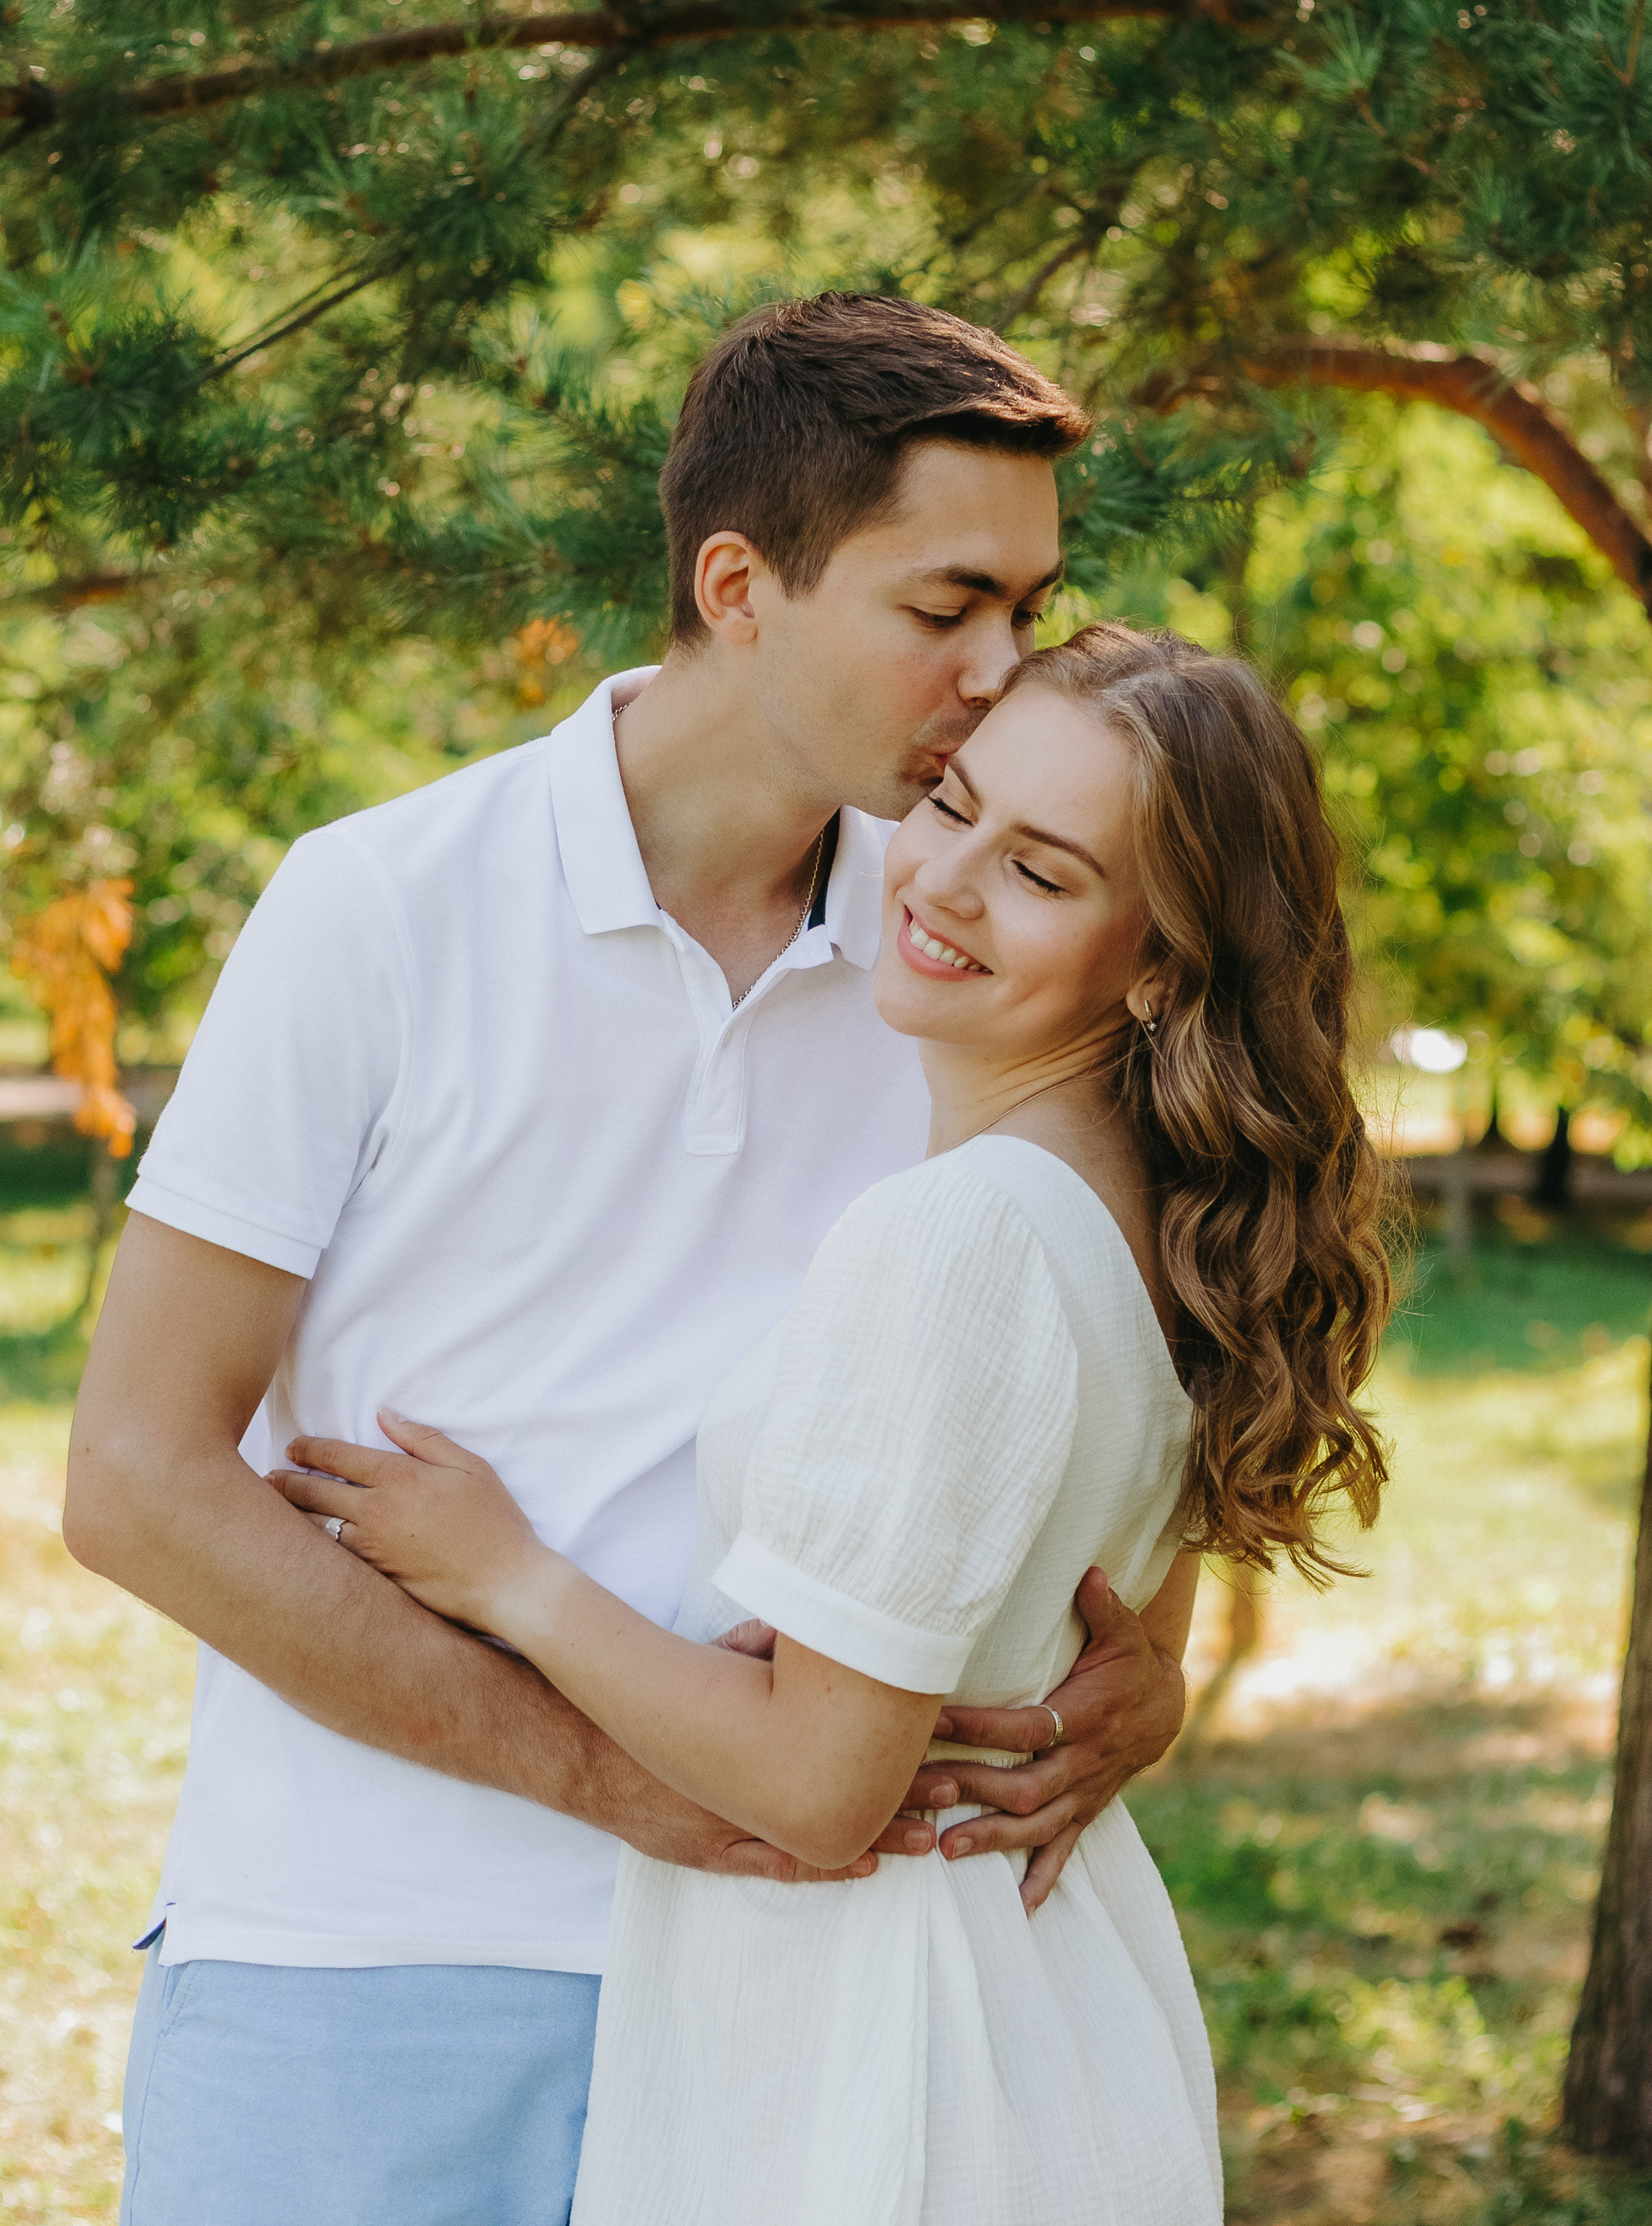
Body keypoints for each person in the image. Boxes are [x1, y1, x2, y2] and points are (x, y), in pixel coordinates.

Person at [63, 296, 1202, 2226]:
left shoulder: (979, 955)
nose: (1004, 669)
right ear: (740, 584)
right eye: (947, 610)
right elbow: (139, 1483)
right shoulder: (379, 905)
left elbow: (1114, 1352)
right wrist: (612, 1785)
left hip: (814, 1990)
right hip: (364, 1962)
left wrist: (1144, 1669)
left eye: (1030, 604)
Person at [275, 622, 1396, 2224]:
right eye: (952, 806)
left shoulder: (960, 1238)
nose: (939, 881)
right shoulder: (1143, 1225)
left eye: (1044, 872)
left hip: (889, 2038)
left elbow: (818, 1788)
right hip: (1033, 1990)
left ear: (1159, 962)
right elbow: (1108, 1623)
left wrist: (504, 1575)